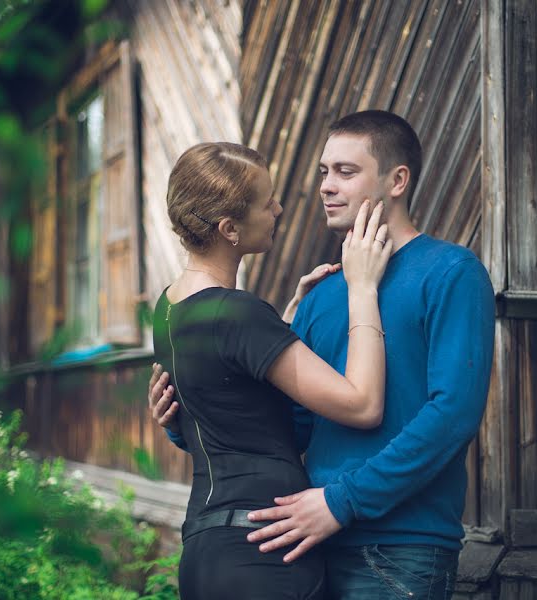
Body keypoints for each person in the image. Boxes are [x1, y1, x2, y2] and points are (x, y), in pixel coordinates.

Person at [150, 111, 496, 600]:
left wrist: (343, 501)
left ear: (397, 181)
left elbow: (453, 415)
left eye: (345, 172)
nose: (326, 187)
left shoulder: (451, 272)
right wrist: (187, 417)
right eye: (323, 172)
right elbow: (287, 428)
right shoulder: (321, 295)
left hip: (398, 547)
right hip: (304, 542)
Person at [151, 141, 394, 600]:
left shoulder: (168, 307)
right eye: (267, 202)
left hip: (206, 554)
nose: (279, 209)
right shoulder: (237, 314)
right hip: (265, 553)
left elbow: (232, 397)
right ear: (229, 229)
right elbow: (362, 405)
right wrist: (362, 287)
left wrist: (282, 326)